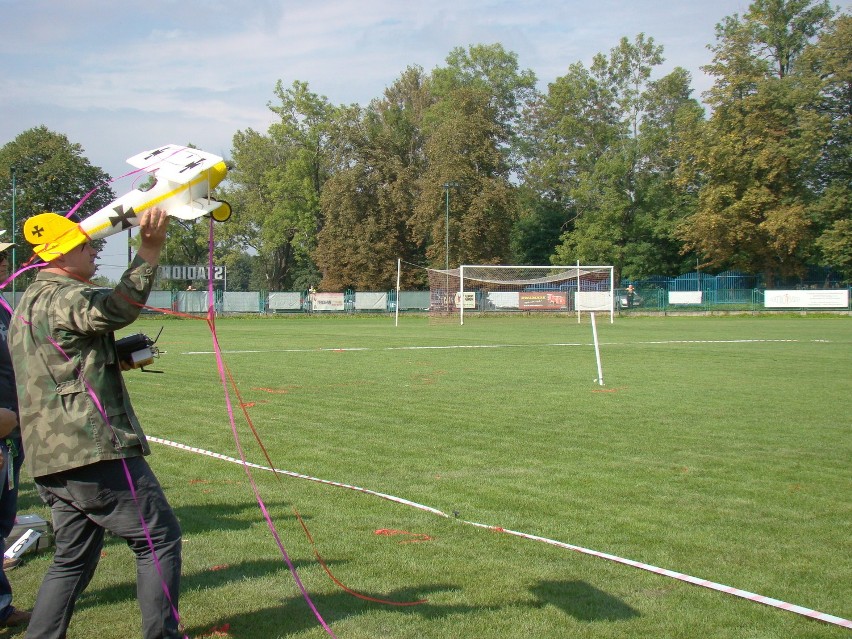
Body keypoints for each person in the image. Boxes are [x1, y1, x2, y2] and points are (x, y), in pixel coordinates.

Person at [9, 209, 183, 639]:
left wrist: (112, 359)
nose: (94, 252)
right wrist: (150, 249)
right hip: (89, 445)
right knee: (158, 537)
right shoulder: (65, 295)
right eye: (88, 247)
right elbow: (116, 308)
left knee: (73, 557)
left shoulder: (28, 303)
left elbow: (60, 368)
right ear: (65, 254)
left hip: (50, 455)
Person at [0, 236, 32, 628]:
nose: (5, 263)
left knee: (3, 522)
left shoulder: (5, 309)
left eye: (6, 257)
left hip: (10, 437)